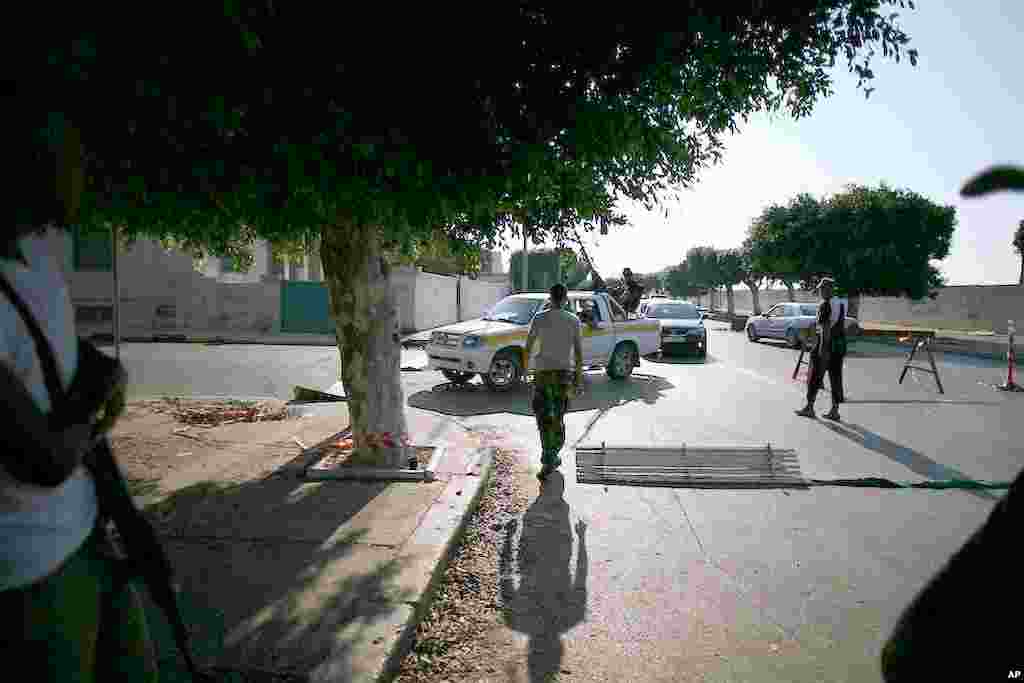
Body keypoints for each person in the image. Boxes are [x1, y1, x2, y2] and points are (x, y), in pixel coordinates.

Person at [1, 113, 156, 680]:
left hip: (88, 536)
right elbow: (43, 458)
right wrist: (95, 403)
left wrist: (101, 368)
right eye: (73, 158)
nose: (85, 175)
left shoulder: (36, 252)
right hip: (28, 575)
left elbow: (55, 344)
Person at [524, 283, 584, 481]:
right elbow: (578, 352)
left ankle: (549, 457)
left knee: (543, 417)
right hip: (563, 375)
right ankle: (552, 456)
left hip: (542, 374)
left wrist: (526, 370)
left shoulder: (540, 318)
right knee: (557, 416)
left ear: (550, 297)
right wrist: (578, 378)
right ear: (565, 299)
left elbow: (528, 345)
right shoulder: (573, 320)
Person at [795, 277, 847, 421]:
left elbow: (825, 329)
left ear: (829, 289)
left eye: (823, 289)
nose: (821, 292)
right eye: (820, 289)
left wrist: (822, 350)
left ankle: (809, 407)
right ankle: (835, 411)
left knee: (814, 376)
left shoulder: (825, 305)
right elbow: (838, 325)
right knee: (836, 377)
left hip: (826, 345)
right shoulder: (840, 304)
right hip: (839, 346)